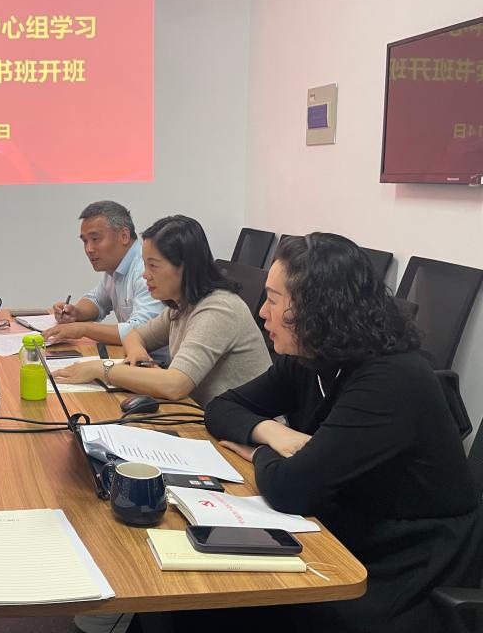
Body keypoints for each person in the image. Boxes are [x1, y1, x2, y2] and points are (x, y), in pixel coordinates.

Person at [198, 233, 481, 632]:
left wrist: (259, 453)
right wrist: (272, 433)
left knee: (224, 601)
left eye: (274, 300)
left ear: (316, 308)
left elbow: (291, 488)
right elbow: (221, 408)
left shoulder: (390, 378)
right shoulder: (312, 356)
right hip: (347, 531)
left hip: (410, 565)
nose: (262, 312)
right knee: (207, 591)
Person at [54, 215, 270, 405]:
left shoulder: (218, 309)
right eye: (145, 265)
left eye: (153, 266)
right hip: (209, 418)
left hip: (249, 430)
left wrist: (102, 369)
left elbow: (175, 385)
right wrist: (137, 352)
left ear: (185, 267)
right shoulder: (182, 305)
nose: (145, 274)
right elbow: (134, 335)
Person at [44, 201, 163, 345]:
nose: (89, 249)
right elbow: (97, 300)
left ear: (124, 236)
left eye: (95, 239)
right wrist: (76, 312)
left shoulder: (145, 270)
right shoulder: (115, 266)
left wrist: (84, 329)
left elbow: (140, 331)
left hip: (159, 358)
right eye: (85, 241)